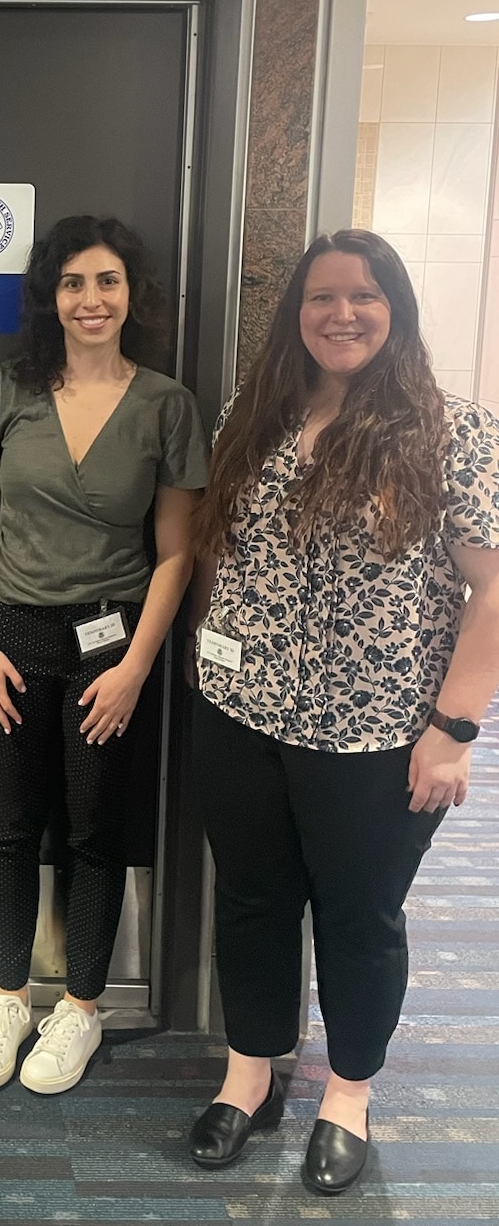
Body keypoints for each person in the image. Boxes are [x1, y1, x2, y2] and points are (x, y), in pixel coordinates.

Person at [186, 229, 499, 1193]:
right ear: (297, 316)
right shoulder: (253, 413)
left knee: (361, 919)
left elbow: (492, 592)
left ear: (394, 310)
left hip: (376, 734)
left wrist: (453, 730)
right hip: (240, 714)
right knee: (250, 900)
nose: (342, 314)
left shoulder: (453, 431)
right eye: (322, 297)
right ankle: (250, 1075)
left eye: (365, 296)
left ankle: (349, 1094)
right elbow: (218, 554)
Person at [0, 215, 206, 1094]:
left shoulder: (167, 403)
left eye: (106, 282)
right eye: (71, 284)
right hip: (12, 636)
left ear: (132, 295)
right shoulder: (4, 390)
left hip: (112, 643)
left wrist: (136, 666)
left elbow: (177, 552)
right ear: (48, 297)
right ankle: (11, 996)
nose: (89, 300)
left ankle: (83, 1009)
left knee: (96, 831)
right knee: (11, 825)